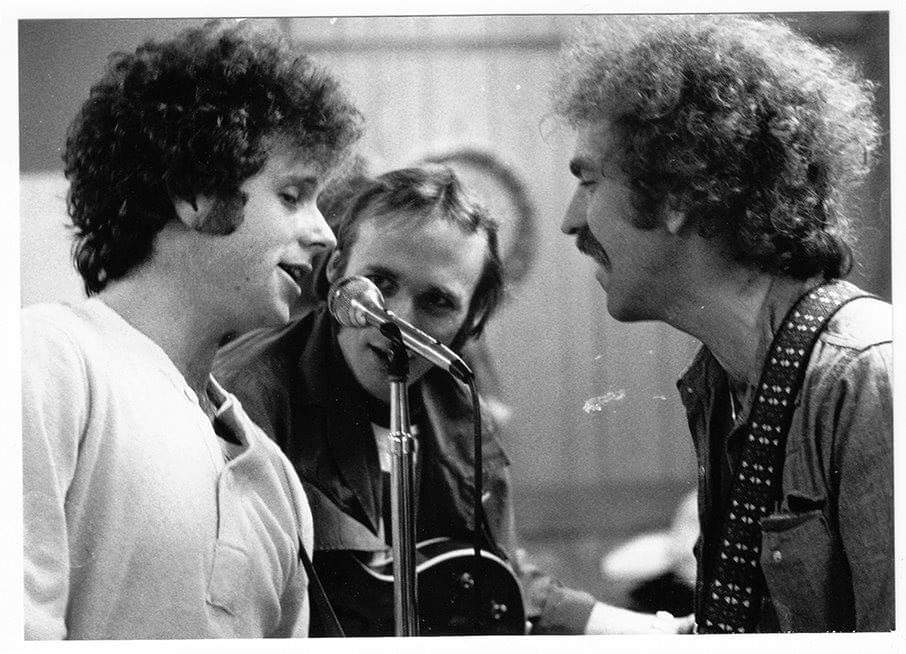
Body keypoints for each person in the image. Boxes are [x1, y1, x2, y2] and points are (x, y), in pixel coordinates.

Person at [214, 164, 692, 635]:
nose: (397, 322)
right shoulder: (245, 400)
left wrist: (656, 632)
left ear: (472, 321)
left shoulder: (461, 409)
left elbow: (499, 576)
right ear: (337, 272)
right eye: (380, 283)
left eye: (437, 302)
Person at [22, 20, 362, 639]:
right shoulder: (47, 363)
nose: (325, 234)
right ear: (196, 193)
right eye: (292, 195)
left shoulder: (279, 482)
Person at [556, 15, 891, 632]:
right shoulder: (721, 380)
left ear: (680, 190)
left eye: (590, 181)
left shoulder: (870, 380)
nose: (572, 221)